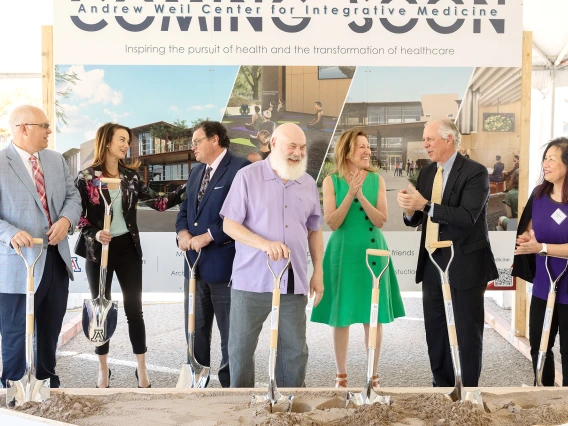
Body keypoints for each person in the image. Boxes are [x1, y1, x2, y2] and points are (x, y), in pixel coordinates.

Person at [75, 122, 186, 389]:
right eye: (122, 140)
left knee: (134, 311)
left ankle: (142, 369)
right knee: (100, 310)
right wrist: (93, 233)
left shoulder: (130, 177)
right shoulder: (86, 177)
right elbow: (77, 216)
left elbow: (159, 203)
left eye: (128, 141)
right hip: (97, 252)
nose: (127, 145)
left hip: (127, 250)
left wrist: (188, 188)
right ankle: (103, 370)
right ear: (107, 142)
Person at [220, 123, 324, 388]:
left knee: (294, 352)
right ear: (274, 143)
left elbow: (314, 231)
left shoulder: (308, 183)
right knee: (240, 351)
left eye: (302, 148)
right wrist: (264, 244)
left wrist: (318, 272)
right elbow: (229, 225)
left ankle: (287, 406)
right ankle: (241, 408)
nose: (298, 153)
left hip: (293, 282)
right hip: (250, 282)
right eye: (292, 146)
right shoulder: (248, 176)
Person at [396, 118, 498, 388]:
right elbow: (420, 218)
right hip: (432, 262)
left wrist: (425, 205)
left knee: (466, 331)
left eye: (429, 139)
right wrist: (409, 212)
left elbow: (467, 216)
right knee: (436, 330)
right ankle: (441, 388)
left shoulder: (475, 173)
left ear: (448, 139)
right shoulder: (428, 173)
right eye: (424, 138)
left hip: (465, 263)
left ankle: (468, 391)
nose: (425, 144)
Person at [310, 128, 405, 387]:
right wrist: (350, 193)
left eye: (368, 147)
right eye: (361, 147)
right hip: (343, 254)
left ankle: (372, 375)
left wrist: (361, 195)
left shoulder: (377, 181)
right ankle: (341, 376)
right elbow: (333, 222)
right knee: (341, 314)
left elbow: (381, 220)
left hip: (373, 252)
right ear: (347, 152)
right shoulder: (331, 182)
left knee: (371, 315)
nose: (367, 151)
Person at [0, 105, 82, 388]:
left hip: (55, 262)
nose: (49, 131)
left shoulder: (56, 160)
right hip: (18, 264)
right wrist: (10, 231)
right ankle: (12, 389)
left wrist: (66, 220)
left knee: (49, 331)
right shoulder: (0, 162)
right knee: (14, 333)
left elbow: (73, 197)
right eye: (44, 126)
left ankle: (47, 384)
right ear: (23, 128)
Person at [175, 121, 250, 388]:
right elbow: (184, 211)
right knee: (195, 331)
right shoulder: (196, 172)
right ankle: (197, 383)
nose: (192, 147)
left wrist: (208, 236)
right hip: (194, 268)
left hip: (226, 268)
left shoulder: (240, 169)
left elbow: (241, 216)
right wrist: (183, 234)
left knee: (232, 335)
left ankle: (231, 389)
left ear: (215, 139)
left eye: (196, 141)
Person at [513, 137, 568, 386]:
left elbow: (542, 244)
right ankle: (542, 394)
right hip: (544, 283)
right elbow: (529, 230)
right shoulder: (539, 195)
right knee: (539, 344)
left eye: (552, 159)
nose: (545, 164)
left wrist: (542, 247)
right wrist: (526, 239)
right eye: (544, 158)